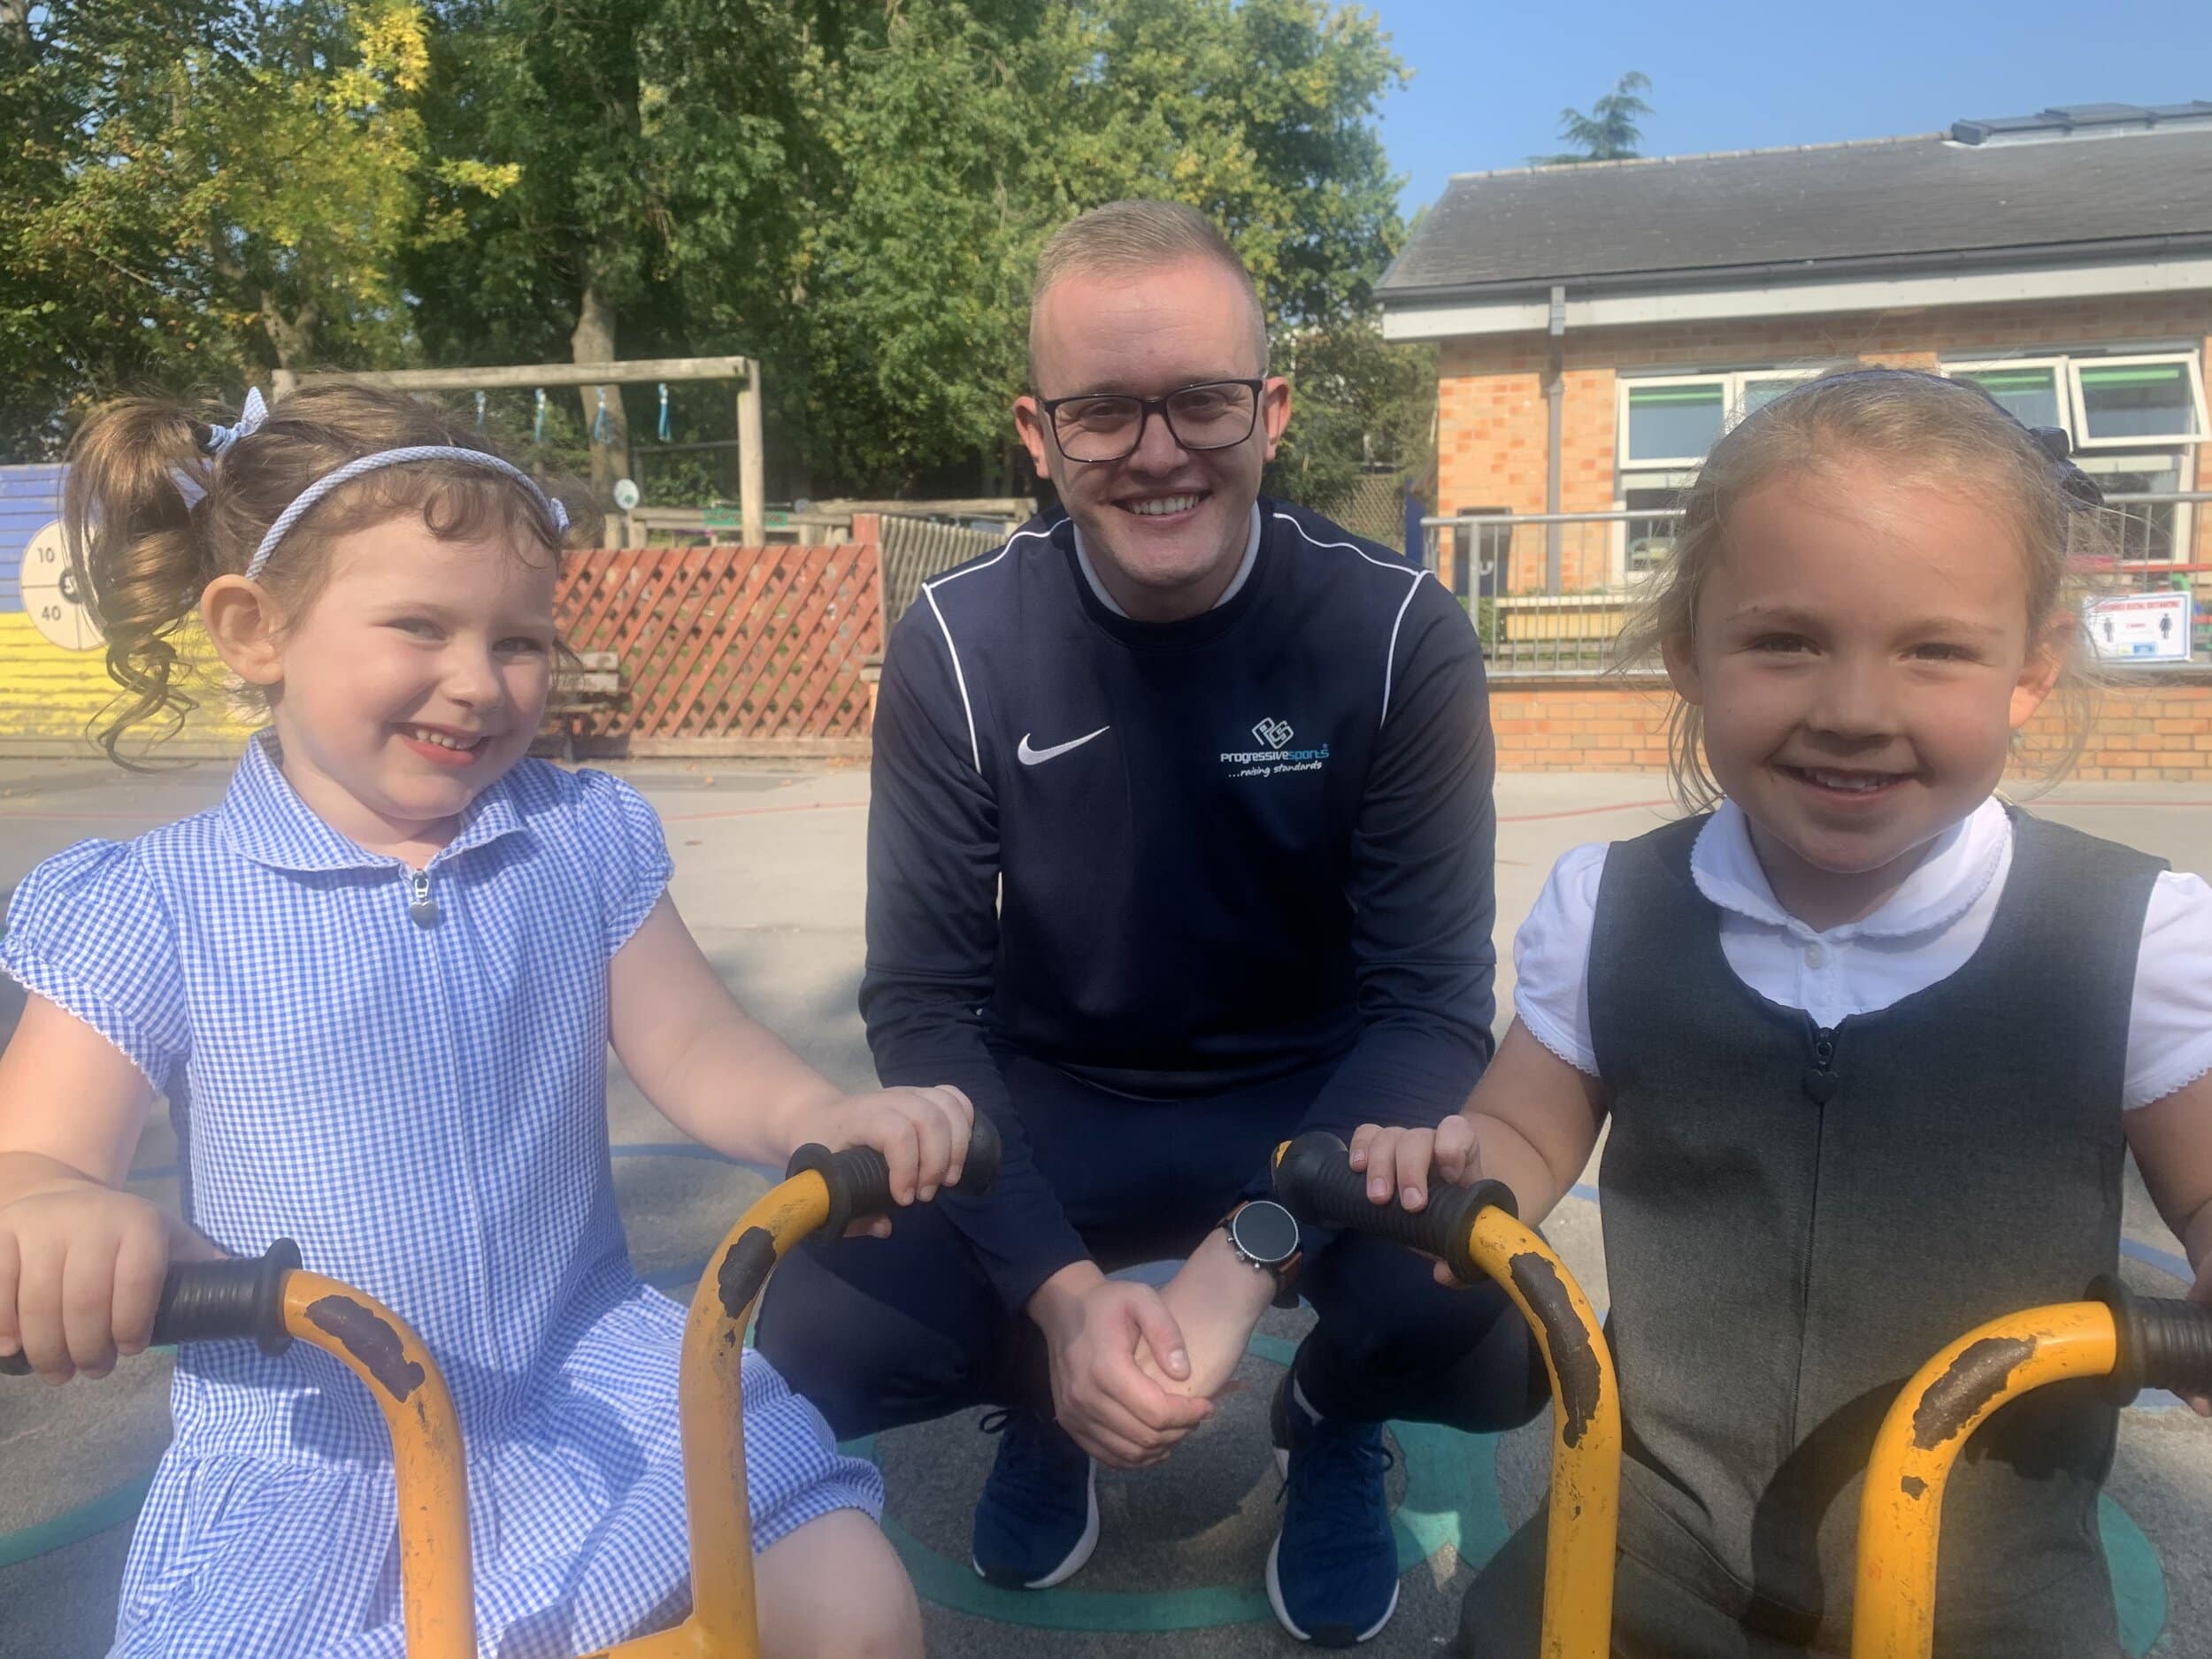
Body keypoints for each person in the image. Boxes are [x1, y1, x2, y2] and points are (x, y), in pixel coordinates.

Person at [0, 383, 977, 1659]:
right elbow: (36, 1156)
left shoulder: (574, 839)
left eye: (519, 641)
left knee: (852, 1609)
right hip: (319, 1443)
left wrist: (824, 1115)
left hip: (592, 1380)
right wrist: (56, 1209)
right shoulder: (160, 905)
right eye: (419, 625)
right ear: (254, 629)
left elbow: (691, 1044)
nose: (478, 682)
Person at [755, 199, 1545, 1647]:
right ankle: (1060, 1393)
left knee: (1486, 1328)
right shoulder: (961, 641)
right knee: (822, 1323)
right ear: (1038, 433)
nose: (1160, 448)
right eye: (1104, 411)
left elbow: (1431, 1005)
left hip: (1316, 1107)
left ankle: (1329, 1414)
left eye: (1200, 400)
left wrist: (1251, 1252)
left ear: (1274, 410)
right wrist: (1057, 1294)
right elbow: (922, 1000)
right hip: (1059, 1100)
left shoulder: (1392, 632)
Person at [1349, 368, 2212, 1657]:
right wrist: (1470, 1171)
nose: (1853, 710)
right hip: (1643, 1544)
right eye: (1786, 640)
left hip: (1991, 1593)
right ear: (1691, 650)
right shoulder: (1614, 909)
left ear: (2031, 668)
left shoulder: (2129, 936)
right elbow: (1525, 1132)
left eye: (1933, 650)